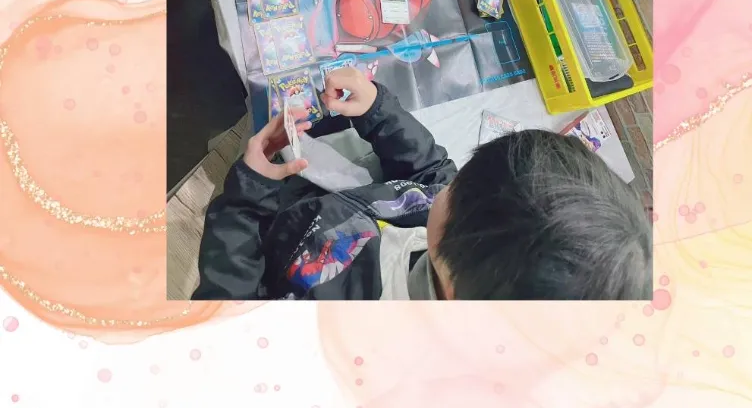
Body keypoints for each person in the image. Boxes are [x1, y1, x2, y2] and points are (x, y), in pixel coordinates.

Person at [192, 68, 652, 301]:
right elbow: (431, 175)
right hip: (313, 205)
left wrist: (246, 199)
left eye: (461, 185)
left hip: (262, 244)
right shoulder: (461, 238)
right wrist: (378, 111)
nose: (452, 180)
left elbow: (227, 307)